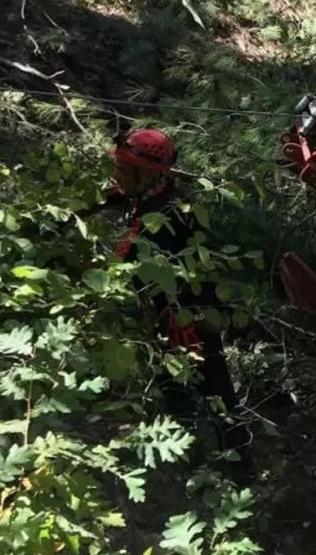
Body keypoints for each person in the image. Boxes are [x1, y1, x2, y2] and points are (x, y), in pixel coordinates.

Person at [110, 129, 249, 461]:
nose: (118, 177)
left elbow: (131, 263)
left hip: (188, 317)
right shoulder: (157, 197)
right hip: (173, 311)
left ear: (146, 174)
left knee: (210, 389)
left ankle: (235, 460)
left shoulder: (166, 215)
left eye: (124, 171)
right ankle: (195, 456)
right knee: (180, 387)